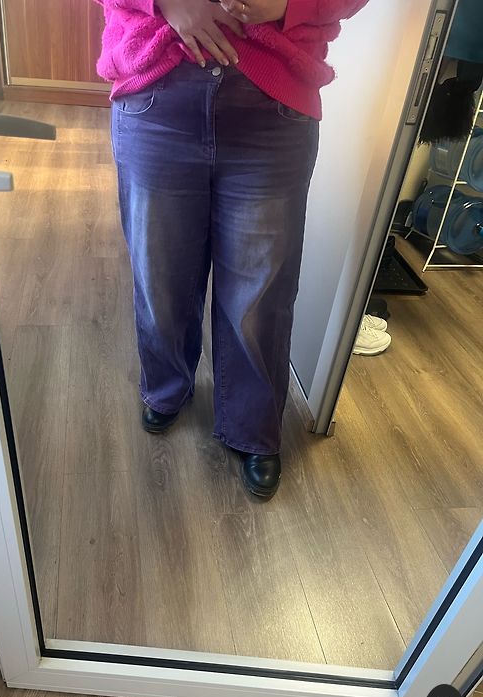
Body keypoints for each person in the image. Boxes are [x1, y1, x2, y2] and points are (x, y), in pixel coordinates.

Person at [97, 0, 369, 499]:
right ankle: (165, 385)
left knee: (260, 292)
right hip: (158, 93)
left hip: (274, 103)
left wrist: (289, 4)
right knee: (159, 273)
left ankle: (252, 424)